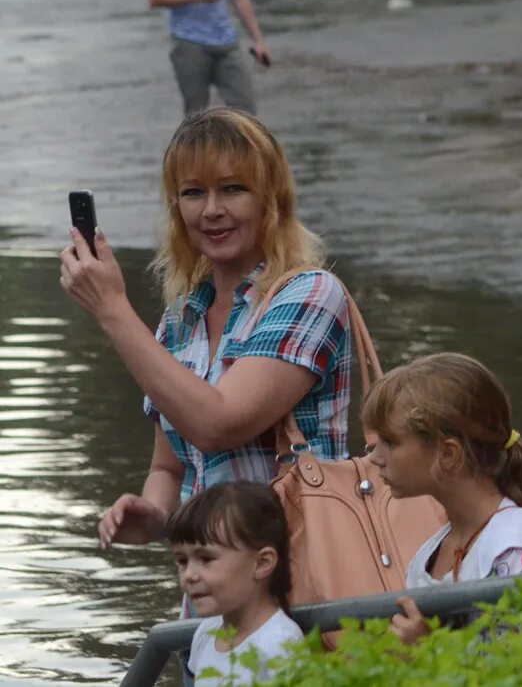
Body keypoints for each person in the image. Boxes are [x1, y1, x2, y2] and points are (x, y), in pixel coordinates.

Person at [69, 107, 351, 552]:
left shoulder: (310, 294)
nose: (212, 210)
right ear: (176, 206)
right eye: (194, 192)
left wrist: (112, 310)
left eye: (233, 189)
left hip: (303, 579)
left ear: (271, 198)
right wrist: (155, 516)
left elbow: (218, 423)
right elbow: (171, 467)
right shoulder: (180, 321)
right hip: (212, 592)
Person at [362, 353, 522, 643]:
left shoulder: (514, 545)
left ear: (448, 453)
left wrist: (424, 652)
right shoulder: (433, 550)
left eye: (391, 442)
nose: (375, 457)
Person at [169, 483, 303, 686]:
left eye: (206, 559)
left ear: (261, 563)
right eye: (182, 561)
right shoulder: (206, 633)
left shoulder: (280, 644)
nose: (189, 575)